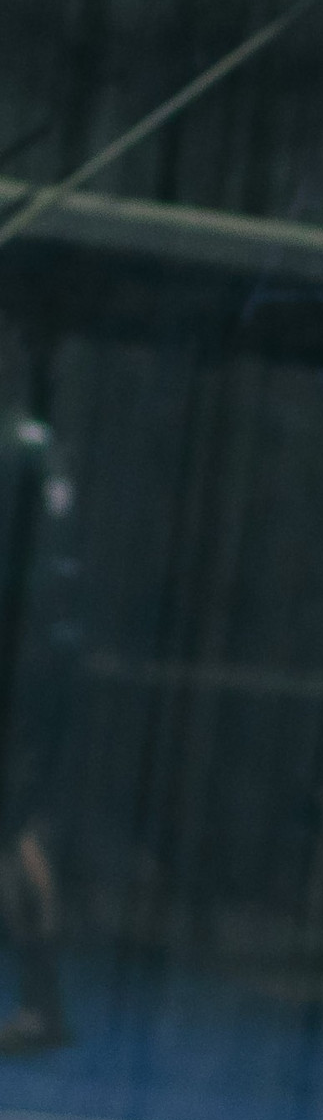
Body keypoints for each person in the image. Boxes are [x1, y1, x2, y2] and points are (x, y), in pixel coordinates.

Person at [0, 412, 82, 1056]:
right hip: (46, 667)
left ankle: (43, 1004)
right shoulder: (39, 454)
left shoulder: (18, 464)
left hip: (28, 671)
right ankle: (42, 1002)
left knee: (13, 835)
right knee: (19, 834)